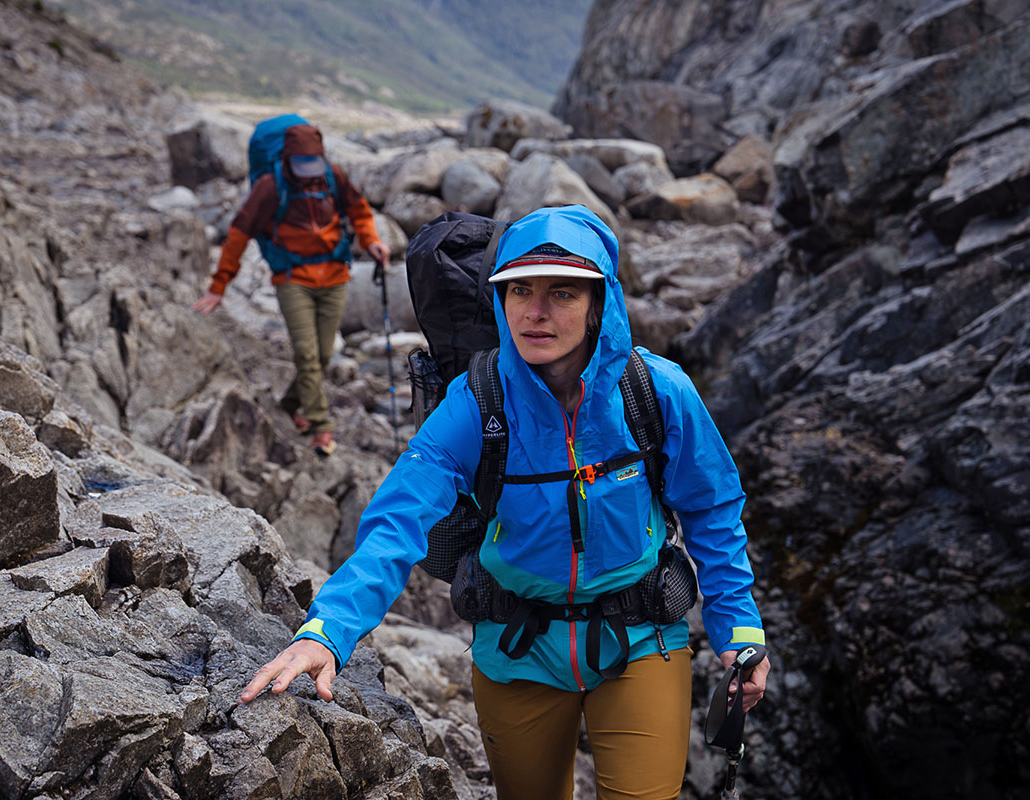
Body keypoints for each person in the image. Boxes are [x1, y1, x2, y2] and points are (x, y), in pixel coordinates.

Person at [240, 205, 768, 799]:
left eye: (563, 293)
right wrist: (327, 630)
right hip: (517, 650)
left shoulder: (658, 391)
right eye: (520, 290)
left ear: (600, 305)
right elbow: (397, 522)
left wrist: (738, 629)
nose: (536, 313)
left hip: (640, 640)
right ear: (500, 299)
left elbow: (713, 509)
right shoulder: (475, 404)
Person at [193, 122, 390, 456]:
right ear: (287, 159)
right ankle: (321, 427)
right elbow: (239, 234)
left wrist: (371, 241)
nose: (310, 173)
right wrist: (218, 287)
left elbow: (358, 209)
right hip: (292, 277)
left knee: (324, 355)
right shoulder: (270, 186)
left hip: (334, 275)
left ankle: (290, 404)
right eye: (303, 166)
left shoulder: (332, 176)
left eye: (314, 164)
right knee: (307, 353)